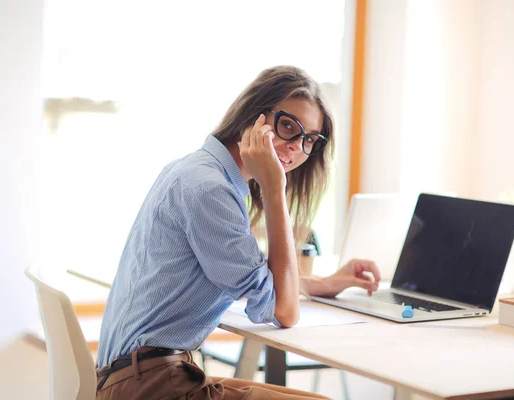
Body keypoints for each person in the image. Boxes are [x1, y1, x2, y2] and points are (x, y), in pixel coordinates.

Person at [96, 65, 381, 400]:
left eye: (309, 140)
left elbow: (257, 281)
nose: (295, 147)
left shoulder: (196, 170)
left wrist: (327, 283)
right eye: (288, 126)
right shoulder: (210, 189)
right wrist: (275, 189)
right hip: (150, 386)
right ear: (253, 115)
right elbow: (284, 311)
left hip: (146, 376)